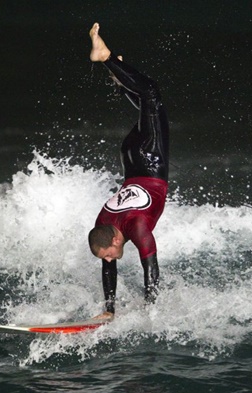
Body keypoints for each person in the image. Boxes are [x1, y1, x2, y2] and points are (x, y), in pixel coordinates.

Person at [87, 23, 170, 320]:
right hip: (131, 158)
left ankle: (107, 59)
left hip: (147, 160)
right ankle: (119, 79)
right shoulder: (103, 225)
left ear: (115, 239)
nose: (109, 260)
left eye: (108, 253)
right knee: (149, 108)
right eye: (105, 257)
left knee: (151, 95)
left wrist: (151, 312)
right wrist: (108, 311)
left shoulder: (134, 227)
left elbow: (151, 265)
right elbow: (112, 266)